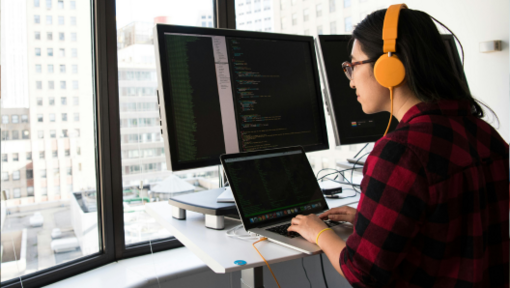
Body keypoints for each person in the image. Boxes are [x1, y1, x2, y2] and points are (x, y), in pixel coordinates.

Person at [287, 5, 509, 288]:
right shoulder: (486, 134)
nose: (351, 80)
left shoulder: (401, 152)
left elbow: (362, 273)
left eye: (353, 66)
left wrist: (318, 232)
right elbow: (454, 229)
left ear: (389, 68)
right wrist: (370, 223)